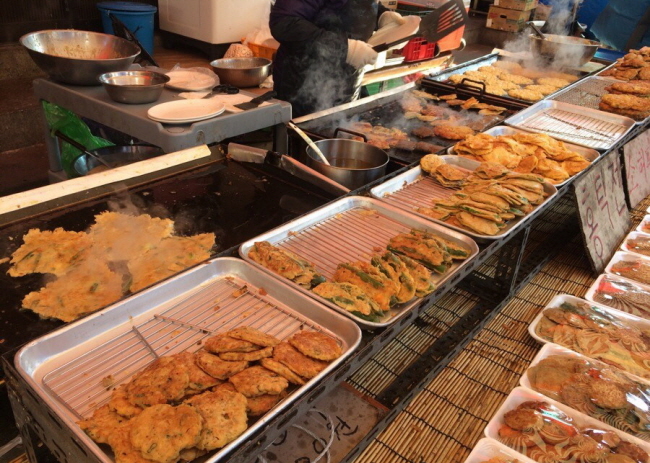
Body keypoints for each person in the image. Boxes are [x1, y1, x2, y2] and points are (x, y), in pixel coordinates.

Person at [270, 0, 406, 117]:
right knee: (304, 137)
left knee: (342, 132)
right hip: (303, 86)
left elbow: (352, 10)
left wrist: (381, 15)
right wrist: (343, 48)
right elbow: (284, 22)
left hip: (348, 81)